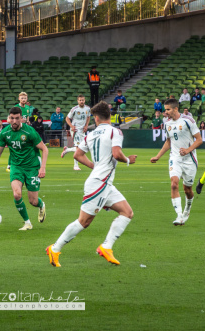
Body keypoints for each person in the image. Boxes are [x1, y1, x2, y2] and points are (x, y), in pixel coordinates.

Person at [46, 101, 137, 267]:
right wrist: (128, 160)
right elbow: (116, 154)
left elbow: (78, 155)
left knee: (127, 212)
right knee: (83, 222)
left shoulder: (91, 134)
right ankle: (55, 248)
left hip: (104, 182)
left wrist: (95, 167)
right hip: (99, 183)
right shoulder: (115, 132)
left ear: (96, 118)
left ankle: (106, 247)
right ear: (109, 115)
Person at [0, 107, 48, 230]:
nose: (14, 121)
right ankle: (27, 223)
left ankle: (41, 205)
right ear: (8, 118)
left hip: (32, 167)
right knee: (17, 195)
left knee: (33, 201)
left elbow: (44, 149)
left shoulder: (30, 132)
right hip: (16, 167)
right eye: (12, 118)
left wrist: (42, 168)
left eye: (17, 118)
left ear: (21, 119)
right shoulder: (5, 133)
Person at [150, 99, 203, 225]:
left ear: (175, 109)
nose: (165, 112)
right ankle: (179, 215)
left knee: (188, 190)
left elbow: (199, 140)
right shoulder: (167, 124)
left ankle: (187, 210)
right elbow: (168, 142)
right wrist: (158, 156)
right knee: (174, 184)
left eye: (168, 109)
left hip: (189, 159)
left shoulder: (187, 120)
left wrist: (188, 150)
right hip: (175, 158)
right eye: (165, 109)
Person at [61, 95, 91, 170]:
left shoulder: (88, 108)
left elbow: (88, 117)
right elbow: (67, 118)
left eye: (83, 100)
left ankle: (67, 150)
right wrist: (72, 126)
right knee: (78, 148)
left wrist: (86, 126)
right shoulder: (74, 109)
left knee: (84, 147)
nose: (81, 101)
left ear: (85, 100)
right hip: (76, 130)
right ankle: (75, 165)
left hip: (82, 130)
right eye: (80, 100)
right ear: (78, 101)